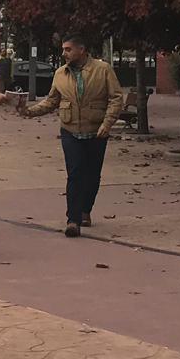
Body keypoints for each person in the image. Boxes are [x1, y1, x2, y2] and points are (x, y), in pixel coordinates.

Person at [18, 34, 125, 237]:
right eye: (63, 49)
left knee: (92, 175)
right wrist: (28, 111)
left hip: (96, 130)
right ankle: (73, 220)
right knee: (75, 173)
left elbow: (116, 98)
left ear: (81, 50)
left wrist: (107, 124)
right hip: (70, 130)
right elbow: (51, 101)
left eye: (68, 49)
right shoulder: (60, 74)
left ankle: (86, 210)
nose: (64, 53)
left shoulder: (102, 70)